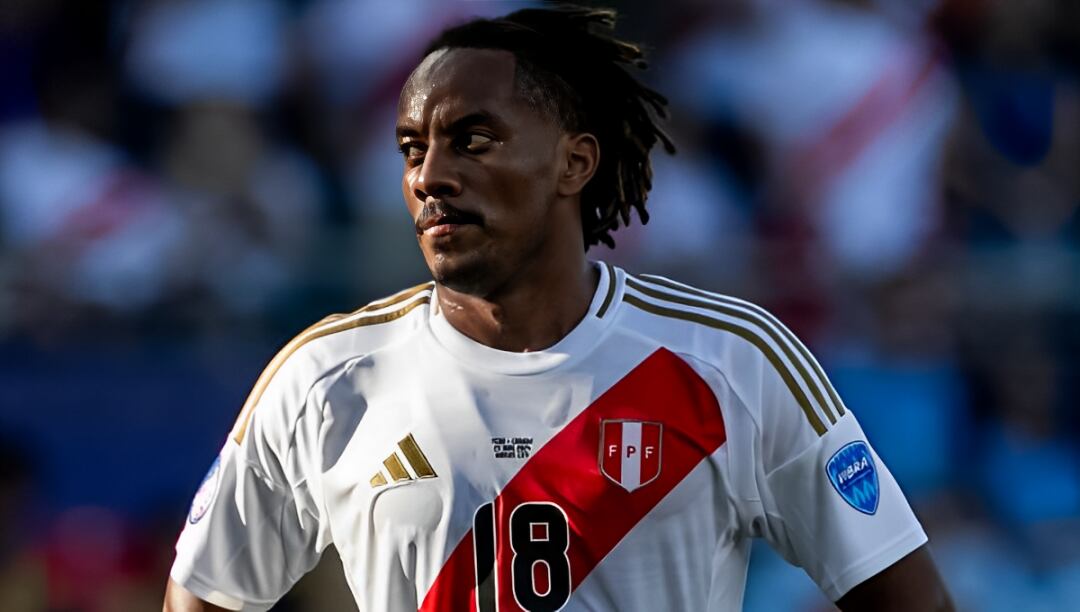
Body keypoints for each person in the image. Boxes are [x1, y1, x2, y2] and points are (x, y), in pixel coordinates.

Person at [164, 6, 953, 611]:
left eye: (474, 140)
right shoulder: (324, 378)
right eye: (412, 149)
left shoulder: (732, 360)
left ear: (575, 161)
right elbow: (204, 597)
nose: (430, 175)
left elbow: (905, 597)